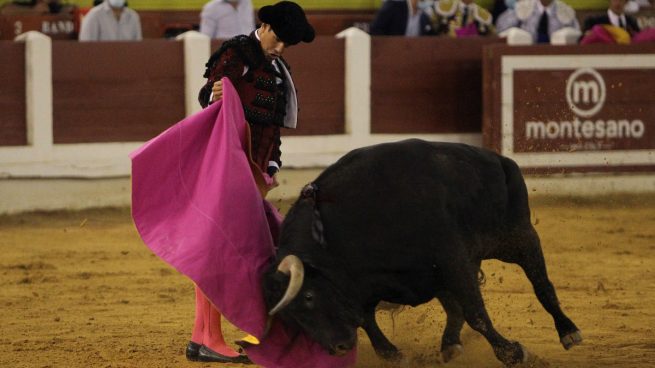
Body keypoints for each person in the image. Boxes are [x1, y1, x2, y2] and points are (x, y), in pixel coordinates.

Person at [185, 1, 315, 363]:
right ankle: (210, 338)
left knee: (227, 250)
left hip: (253, 171)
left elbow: (273, 127)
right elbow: (208, 98)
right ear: (267, 27)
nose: (281, 49)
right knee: (224, 252)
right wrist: (211, 97)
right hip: (224, 166)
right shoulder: (237, 53)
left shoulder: (277, 70)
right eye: (281, 41)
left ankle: (202, 336)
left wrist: (271, 164)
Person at [496, 0, 579, 43]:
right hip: (525, 57)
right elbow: (501, 29)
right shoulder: (524, 7)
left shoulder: (565, 11)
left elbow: (577, 36)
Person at [426, 0, 495, 37]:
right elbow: (430, 31)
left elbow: (492, 38)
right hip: (444, 54)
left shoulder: (483, 15)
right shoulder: (441, 6)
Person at [369, 0, 436, 36]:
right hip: (391, 53)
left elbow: (430, 38)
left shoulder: (425, 17)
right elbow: (375, 29)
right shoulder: (393, 7)